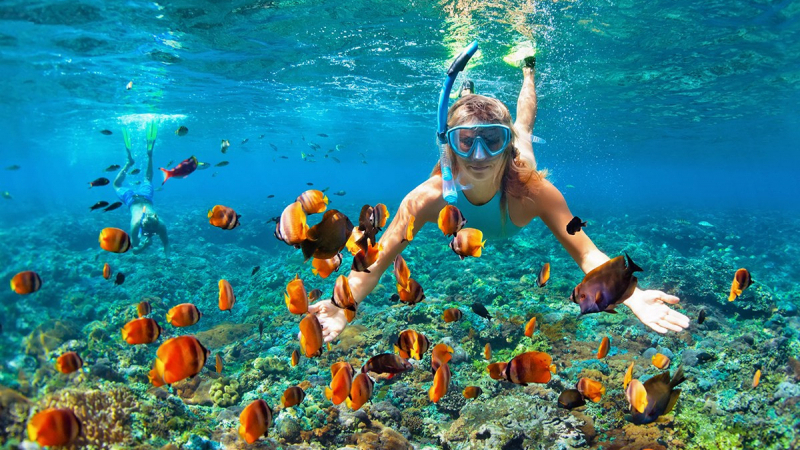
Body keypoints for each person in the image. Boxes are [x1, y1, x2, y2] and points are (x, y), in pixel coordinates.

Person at [307, 56, 690, 342]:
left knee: (523, 126)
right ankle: (467, 94)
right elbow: (377, 259)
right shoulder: (427, 198)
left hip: (519, 166)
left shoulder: (535, 192)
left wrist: (630, 293)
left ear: (507, 147)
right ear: (450, 147)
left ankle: (527, 69)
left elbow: (587, 253)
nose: (479, 156)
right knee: (476, 119)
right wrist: (343, 306)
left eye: (493, 140)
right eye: (466, 142)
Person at [113, 121, 169, 255]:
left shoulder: (157, 225)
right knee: (119, 185)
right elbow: (136, 250)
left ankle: (142, 159)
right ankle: (138, 160)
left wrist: (166, 257)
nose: (149, 232)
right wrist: (144, 247)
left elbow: (165, 245)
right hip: (132, 199)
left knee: (145, 179)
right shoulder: (139, 224)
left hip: (144, 197)